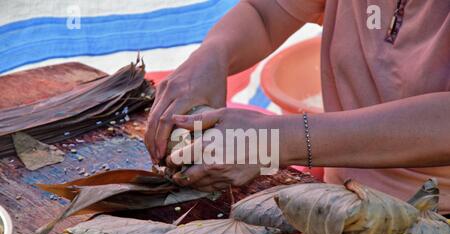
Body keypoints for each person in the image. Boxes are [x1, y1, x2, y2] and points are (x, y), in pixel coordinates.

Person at [145, 0, 450, 212]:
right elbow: (265, 12)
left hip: (435, 223)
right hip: (341, 203)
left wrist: (277, 139)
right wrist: (212, 56)